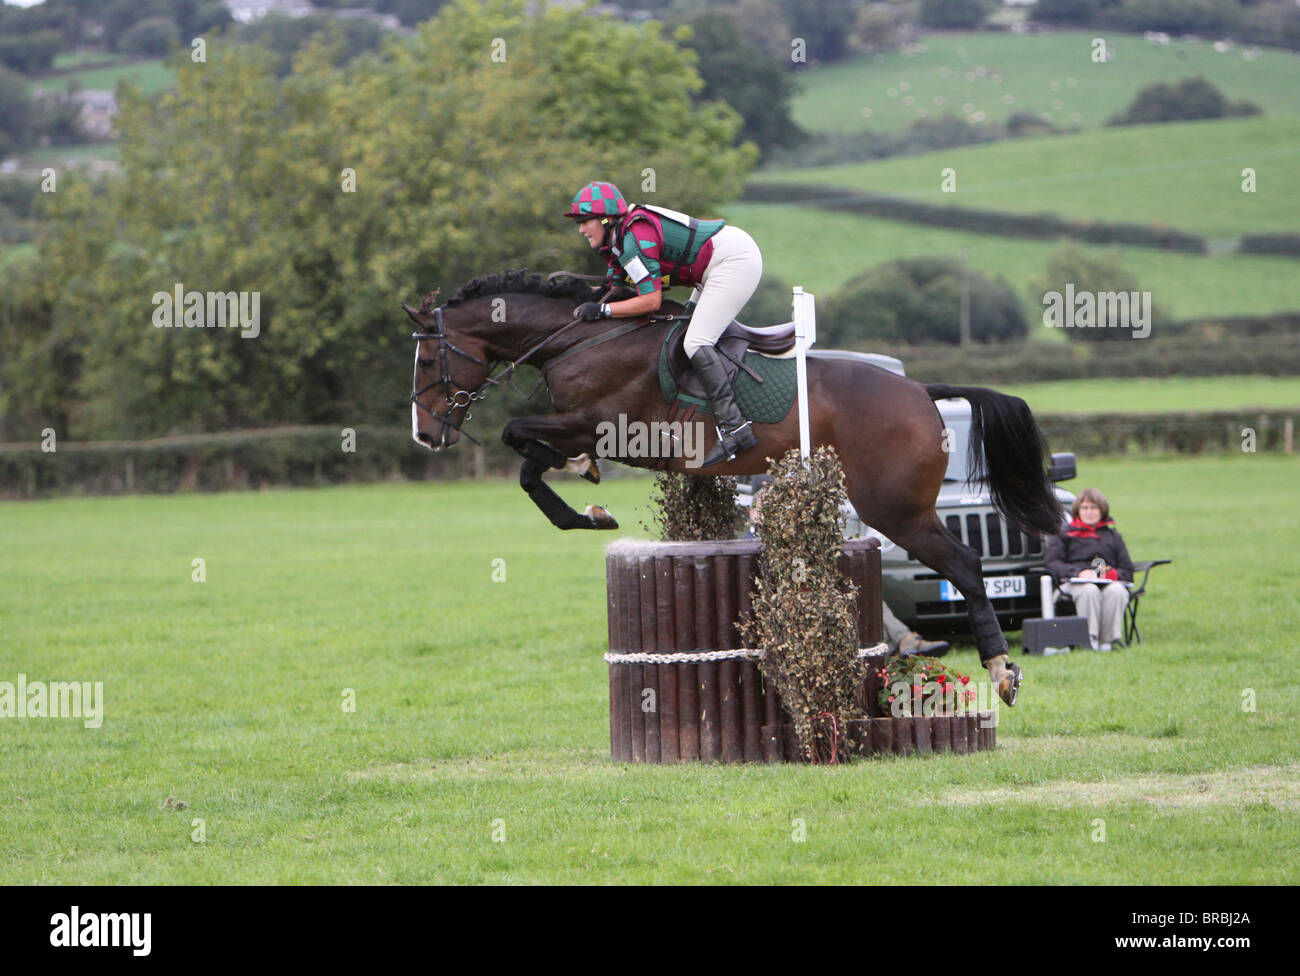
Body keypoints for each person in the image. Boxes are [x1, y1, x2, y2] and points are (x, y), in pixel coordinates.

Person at [564, 180, 762, 468]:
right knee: (680, 337)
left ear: (606, 219)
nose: (581, 229)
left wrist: (603, 310)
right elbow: (613, 289)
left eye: (585, 221)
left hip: (734, 259)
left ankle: (735, 427)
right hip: (715, 264)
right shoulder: (619, 241)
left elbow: (650, 302)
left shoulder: (633, 239)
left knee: (696, 342)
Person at [747, 484, 949, 657]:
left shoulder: (789, 539)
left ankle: (901, 642)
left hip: (812, 595)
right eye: (766, 509)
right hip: (783, 607)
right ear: (753, 513)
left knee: (860, 590)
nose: (774, 514)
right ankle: (901, 644)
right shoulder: (749, 543)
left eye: (777, 508)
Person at [1044, 488, 1134, 651]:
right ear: (1078, 511)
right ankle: (1089, 639)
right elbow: (1052, 563)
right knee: (1089, 590)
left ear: (1102, 510)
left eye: (1094, 508)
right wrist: (1078, 573)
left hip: (1107, 582)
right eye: (1085, 508)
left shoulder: (1114, 537)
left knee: (1117, 591)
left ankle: (1107, 642)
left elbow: (1127, 571)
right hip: (1071, 584)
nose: (1089, 512)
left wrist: (1112, 574)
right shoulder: (1065, 534)